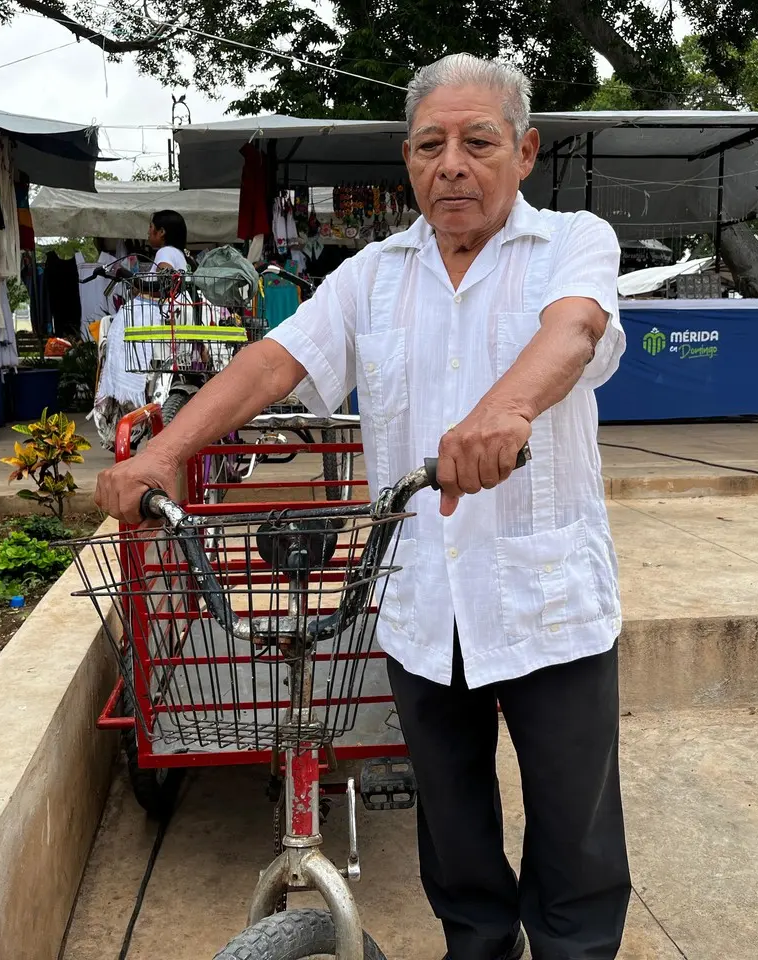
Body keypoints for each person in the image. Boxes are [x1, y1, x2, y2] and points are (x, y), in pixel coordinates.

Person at [96, 52, 630, 960]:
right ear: (408, 159)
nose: (450, 164)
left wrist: (506, 408)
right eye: (429, 145)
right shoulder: (372, 275)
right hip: (423, 602)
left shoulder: (574, 242)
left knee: (575, 842)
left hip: (549, 603)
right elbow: (276, 360)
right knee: (454, 842)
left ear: (525, 150)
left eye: (477, 141)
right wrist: (166, 449)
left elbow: (573, 329)